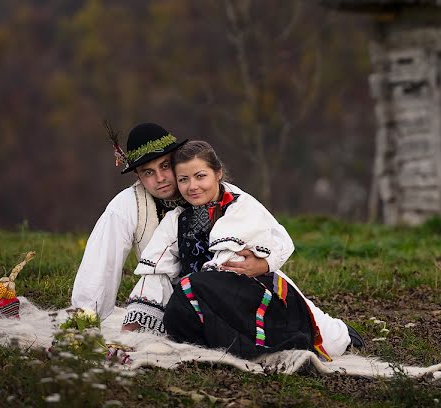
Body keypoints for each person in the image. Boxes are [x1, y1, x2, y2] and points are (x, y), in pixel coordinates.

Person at [70, 123, 360, 356]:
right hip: (174, 293)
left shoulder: (228, 197)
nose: (161, 179)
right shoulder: (128, 206)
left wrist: (263, 263)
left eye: (165, 167)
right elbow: (102, 264)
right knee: (171, 323)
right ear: (137, 176)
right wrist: (85, 320)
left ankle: (334, 333)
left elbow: (276, 236)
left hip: (234, 282)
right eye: (148, 172)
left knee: (320, 331)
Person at [132, 140, 321, 359]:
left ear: (218, 173)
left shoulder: (240, 207)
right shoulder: (177, 219)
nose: (192, 186)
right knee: (176, 311)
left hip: (246, 293)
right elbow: (157, 269)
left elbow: (276, 244)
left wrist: (263, 263)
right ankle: (214, 340)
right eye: (184, 179)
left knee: (190, 286)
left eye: (200, 176)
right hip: (201, 295)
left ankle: (251, 345)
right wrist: (137, 322)